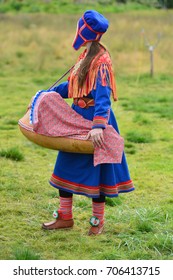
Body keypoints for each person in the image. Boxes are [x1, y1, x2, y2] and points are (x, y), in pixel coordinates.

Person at [42, 10, 135, 235]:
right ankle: (65, 217)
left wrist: (98, 126)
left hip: (95, 122)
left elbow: (103, 96)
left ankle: (97, 222)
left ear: (84, 31)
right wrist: (49, 92)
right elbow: (74, 86)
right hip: (76, 118)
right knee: (64, 166)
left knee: (99, 173)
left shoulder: (102, 60)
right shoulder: (84, 56)